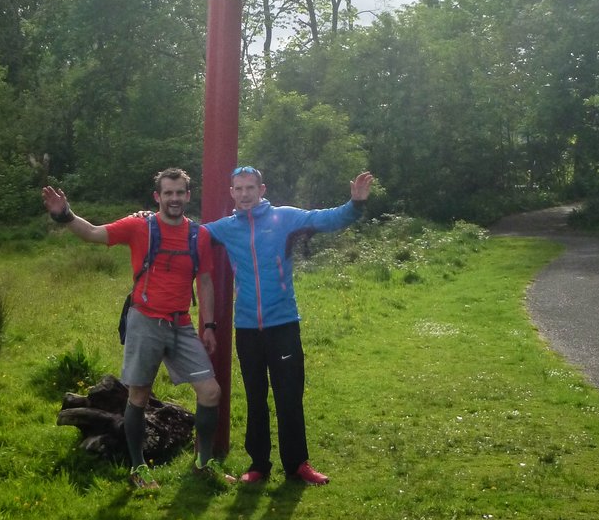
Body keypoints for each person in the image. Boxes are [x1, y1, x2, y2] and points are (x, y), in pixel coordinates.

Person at [42, 168, 231, 492]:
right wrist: (65, 215)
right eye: (167, 193)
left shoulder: (197, 236)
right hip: (145, 321)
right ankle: (138, 467)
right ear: (157, 197)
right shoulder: (138, 226)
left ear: (188, 196)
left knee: (211, 392)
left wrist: (210, 325)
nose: (174, 198)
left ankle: (202, 463)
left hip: (181, 323)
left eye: (179, 193)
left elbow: (207, 282)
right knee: (139, 395)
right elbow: (93, 233)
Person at [203, 166, 374, 486]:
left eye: (250, 188)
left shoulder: (285, 218)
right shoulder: (226, 228)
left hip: (283, 324)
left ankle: (297, 464)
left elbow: (327, 219)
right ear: (231, 193)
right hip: (248, 327)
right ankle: (258, 465)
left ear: (262, 189)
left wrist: (355, 205)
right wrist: (149, 219)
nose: (244, 194)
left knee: (289, 396)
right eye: (238, 189)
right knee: (255, 397)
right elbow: (188, 234)